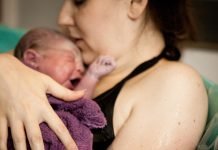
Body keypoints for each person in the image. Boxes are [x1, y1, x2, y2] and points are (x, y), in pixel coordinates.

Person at [0, 0, 208, 149]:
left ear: (135, 3)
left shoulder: (173, 85)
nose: (62, 18)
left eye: (80, 1)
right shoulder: (71, 54)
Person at [13, 27, 116, 99]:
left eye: (82, 64)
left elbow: (79, 103)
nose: (81, 69)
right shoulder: (13, 90)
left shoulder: (61, 98)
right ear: (32, 60)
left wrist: (92, 75)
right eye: (71, 58)